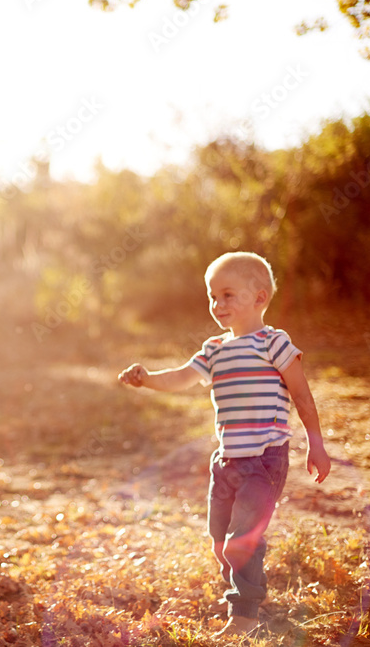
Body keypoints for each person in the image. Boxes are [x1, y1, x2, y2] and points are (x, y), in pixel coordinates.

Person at [118, 251, 331, 638]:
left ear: (260, 298)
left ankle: (245, 616)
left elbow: (302, 395)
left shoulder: (274, 343)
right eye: (212, 296)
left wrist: (316, 445)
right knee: (219, 541)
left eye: (228, 295)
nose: (218, 305)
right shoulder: (214, 348)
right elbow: (182, 377)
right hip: (227, 460)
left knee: (241, 540)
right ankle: (241, 589)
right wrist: (147, 379)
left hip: (265, 459)